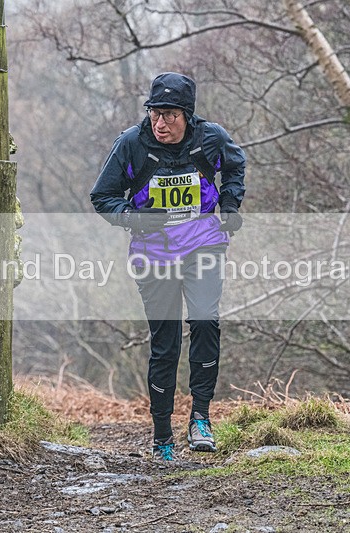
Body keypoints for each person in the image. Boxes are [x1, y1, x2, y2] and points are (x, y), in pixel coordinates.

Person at [90, 72, 246, 461]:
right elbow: (102, 196)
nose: (160, 123)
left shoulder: (210, 138)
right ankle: (162, 434)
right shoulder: (131, 144)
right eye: (155, 114)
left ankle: (201, 418)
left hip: (204, 244)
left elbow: (236, 166)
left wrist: (229, 205)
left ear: (187, 116)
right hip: (154, 253)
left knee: (206, 321)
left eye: (169, 115)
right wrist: (134, 218)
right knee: (166, 343)